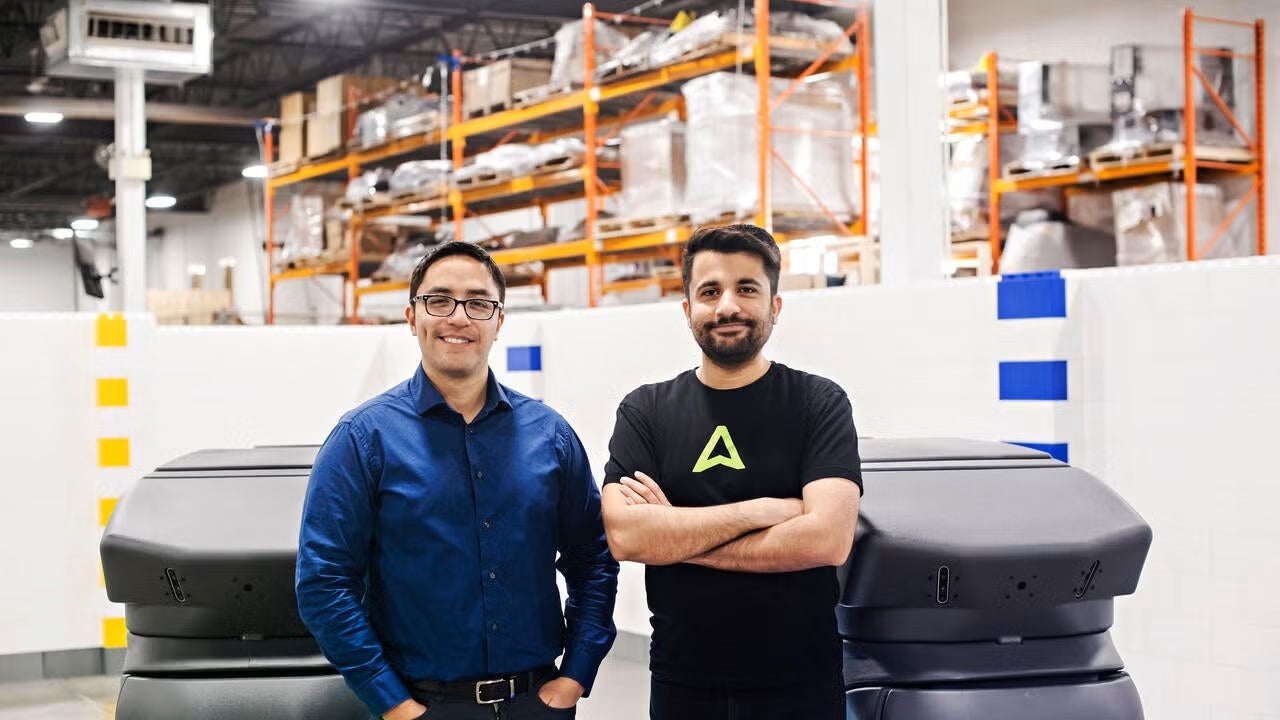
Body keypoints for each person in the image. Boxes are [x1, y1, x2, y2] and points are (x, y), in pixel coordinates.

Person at [297, 241, 619, 720]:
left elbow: (593, 559)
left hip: (537, 702)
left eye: (478, 303)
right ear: (412, 317)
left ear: (498, 321)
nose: (459, 317)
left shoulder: (549, 436)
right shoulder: (362, 440)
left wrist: (575, 675)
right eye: (439, 300)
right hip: (424, 706)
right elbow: (324, 582)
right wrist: (393, 703)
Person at [601, 224, 863, 720]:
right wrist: (763, 512)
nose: (727, 306)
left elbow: (826, 539)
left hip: (801, 684)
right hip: (684, 684)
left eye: (747, 289)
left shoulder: (818, 403)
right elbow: (626, 536)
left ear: (774, 306)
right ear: (687, 311)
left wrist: (678, 537)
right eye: (709, 291)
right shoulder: (646, 411)